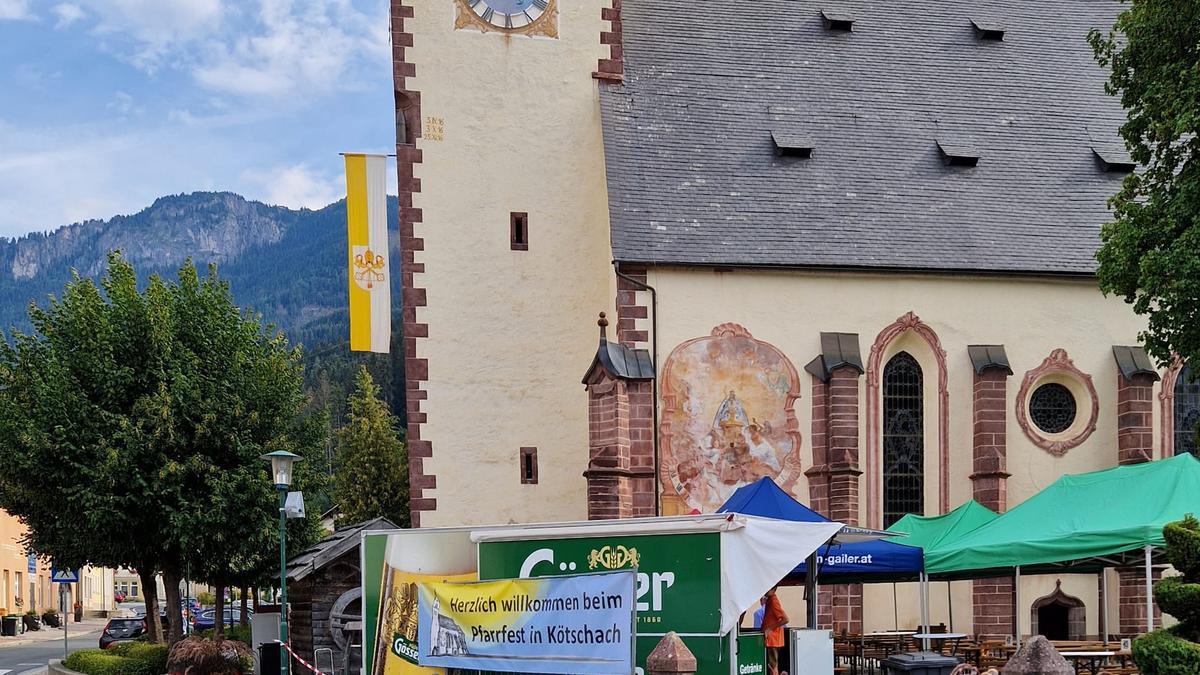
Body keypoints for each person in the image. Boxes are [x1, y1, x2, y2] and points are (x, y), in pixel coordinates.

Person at [761, 586, 789, 675]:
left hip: (773, 640)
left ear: (774, 589)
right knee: (773, 666)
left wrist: (769, 629)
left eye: (768, 588)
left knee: (772, 667)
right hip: (772, 640)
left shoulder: (773, 601)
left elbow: (786, 619)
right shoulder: (770, 600)